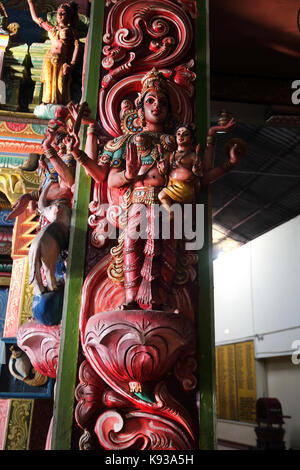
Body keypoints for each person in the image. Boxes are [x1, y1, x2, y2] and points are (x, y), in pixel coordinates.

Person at [27, 0, 79, 105]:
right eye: (58, 12)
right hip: (49, 57)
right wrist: (30, 3)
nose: (60, 15)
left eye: (63, 13)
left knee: (60, 82)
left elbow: (77, 47)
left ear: (68, 16)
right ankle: (46, 102)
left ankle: (59, 104)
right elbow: (35, 18)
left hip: (62, 59)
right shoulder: (52, 29)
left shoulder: (71, 31)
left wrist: (71, 64)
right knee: (48, 81)